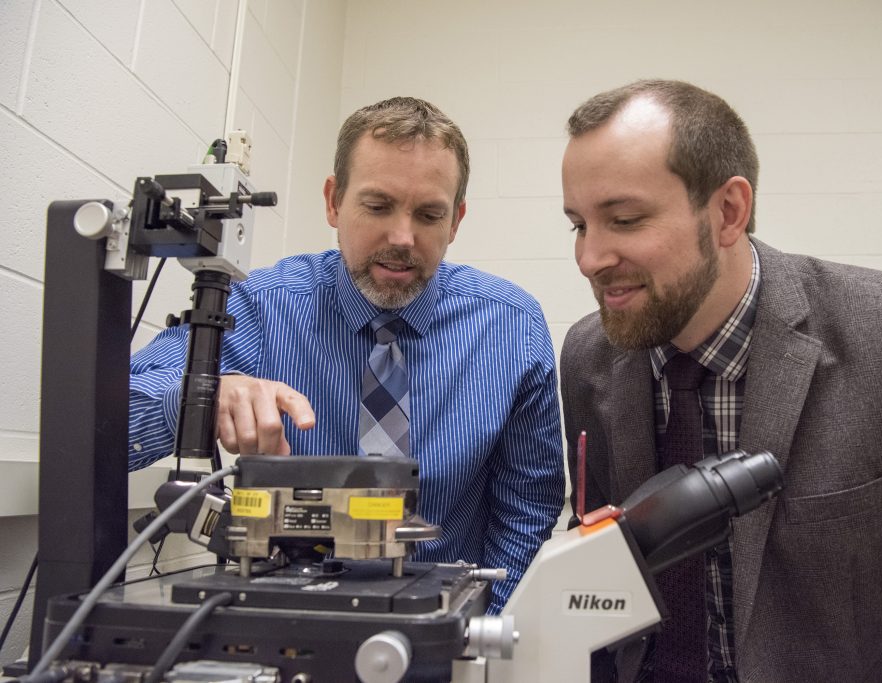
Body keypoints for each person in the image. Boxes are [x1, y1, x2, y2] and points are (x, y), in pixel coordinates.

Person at [559, 79, 882, 682]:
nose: (590, 258)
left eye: (624, 219)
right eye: (578, 225)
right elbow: (605, 575)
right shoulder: (586, 354)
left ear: (728, 211)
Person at [129, 96, 566, 613]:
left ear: (456, 220)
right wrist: (202, 396)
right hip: (282, 620)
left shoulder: (510, 326)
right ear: (334, 202)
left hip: (444, 628)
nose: (402, 238)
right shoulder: (262, 306)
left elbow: (527, 509)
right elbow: (120, 413)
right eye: (377, 207)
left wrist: (479, 634)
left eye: (429, 214)